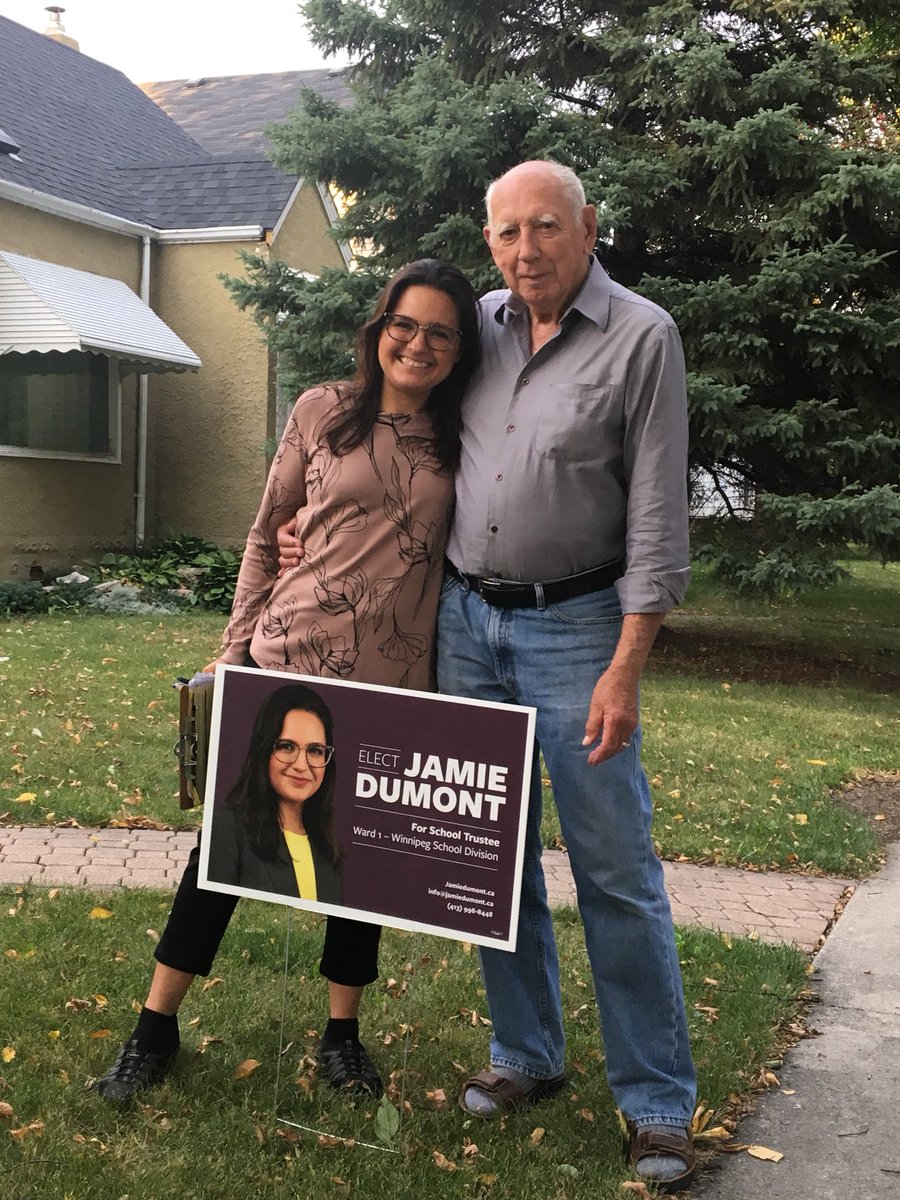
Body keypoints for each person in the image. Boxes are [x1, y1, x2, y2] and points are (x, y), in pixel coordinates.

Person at [278, 161, 697, 1190]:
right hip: (465, 622)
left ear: (588, 226)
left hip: (579, 630)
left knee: (614, 870)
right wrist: (311, 528)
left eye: (544, 227)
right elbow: (397, 428)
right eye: (507, 233)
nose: (525, 251)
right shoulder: (481, 330)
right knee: (490, 860)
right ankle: (527, 1054)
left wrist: (626, 665)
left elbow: (657, 517)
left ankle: (655, 1103)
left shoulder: (642, 337)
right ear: (489, 240)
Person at [95, 258, 480, 1105]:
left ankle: (342, 1036)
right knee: (223, 854)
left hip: (391, 683)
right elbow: (267, 533)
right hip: (286, 659)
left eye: (440, 332)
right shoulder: (321, 410)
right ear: (379, 329)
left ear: (460, 351)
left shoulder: (467, 435)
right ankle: (153, 1030)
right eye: (404, 324)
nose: (417, 344)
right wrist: (233, 649)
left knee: (359, 865)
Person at [206, 684, 343, 904]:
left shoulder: (329, 849)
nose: (301, 765)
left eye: (315, 750)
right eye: (287, 747)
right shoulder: (225, 830)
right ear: (264, 750)